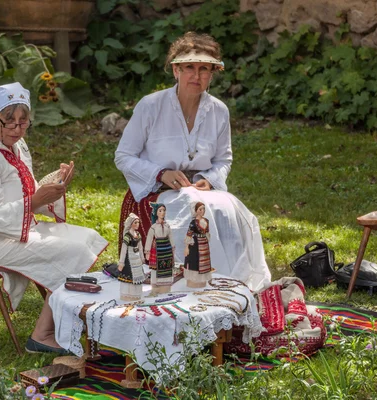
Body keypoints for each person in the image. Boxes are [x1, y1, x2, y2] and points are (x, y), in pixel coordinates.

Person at [0, 82, 108, 354]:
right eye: (9, 121)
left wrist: (54, 185)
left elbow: (26, 190)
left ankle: (63, 320)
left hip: (12, 227)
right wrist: (36, 201)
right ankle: (42, 335)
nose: (17, 128)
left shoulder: (16, 144)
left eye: (24, 122)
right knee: (70, 251)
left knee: (87, 238)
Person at [114, 31, 271, 291]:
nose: (196, 76)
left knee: (232, 209)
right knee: (195, 212)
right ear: (176, 70)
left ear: (213, 73)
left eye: (204, 69)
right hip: (157, 194)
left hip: (201, 192)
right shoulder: (150, 106)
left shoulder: (219, 111)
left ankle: (234, 286)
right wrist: (159, 174)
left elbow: (223, 159)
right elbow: (123, 156)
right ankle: (190, 289)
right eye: (189, 67)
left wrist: (209, 179)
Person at [144, 203, 175, 294]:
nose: (162, 213)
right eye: (160, 211)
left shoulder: (167, 226)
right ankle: (156, 287)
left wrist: (173, 247)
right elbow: (149, 239)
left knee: (167, 267)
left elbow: (171, 237)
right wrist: (147, 252)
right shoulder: (153, 227)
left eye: (164, 210)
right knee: (156, 268)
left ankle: (165, 287)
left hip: (167, 249)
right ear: (156, 213)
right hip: (157, 250)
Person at [117, 213, 146, 300]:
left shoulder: (138, 234)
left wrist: (142, 257)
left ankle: (135, 294)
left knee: (137, 276)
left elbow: (140, 247)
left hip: (137, 260)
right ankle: (127, 294)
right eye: (135, 223)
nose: (137, 225)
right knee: (129, 277)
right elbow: (123, 250)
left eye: (138, 223)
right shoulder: (127, 236)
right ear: (130, 224)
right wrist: (121, 262)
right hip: (129, 260)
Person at [183, 201, 212, 287]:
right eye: (200, 209)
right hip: (195, 244)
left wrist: (206, 240)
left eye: (203, 209)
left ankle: (202, 280)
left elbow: (207, 232)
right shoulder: (193, 223)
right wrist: (187, 247)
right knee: (194, 261)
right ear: (196, 211)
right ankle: (194, 281)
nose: (202, 211)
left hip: (204, 244)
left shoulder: (206, 221)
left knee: (204, 261)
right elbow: (189, 234)